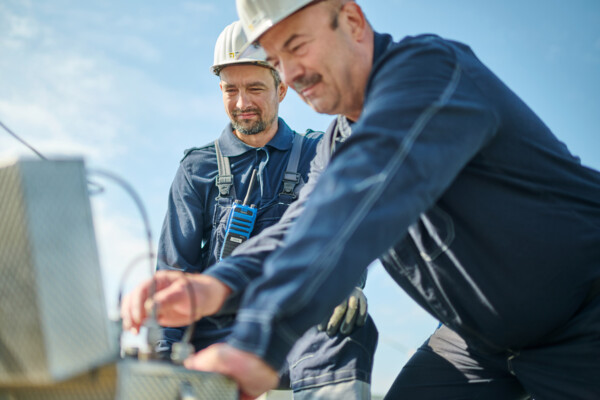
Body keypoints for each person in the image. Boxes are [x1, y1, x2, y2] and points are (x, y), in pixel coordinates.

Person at [123, 1, 600, 399]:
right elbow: (299, 227)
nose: (291, 72)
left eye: (296, 46)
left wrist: (257, 343)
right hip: (481, 341)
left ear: (351, 21)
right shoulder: (335, 143)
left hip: (582, 321)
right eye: (277, 57)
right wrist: (214, 287)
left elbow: (355, 202)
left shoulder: (430, 74)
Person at [143, 20, 377, 400]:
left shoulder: (319, 155)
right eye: (230, 89)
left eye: (254, 88)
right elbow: (176, 272)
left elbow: (344, 232)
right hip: (213, 339)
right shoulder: (196, 169)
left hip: (291, 332)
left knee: (345, 324)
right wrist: (164, 369)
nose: (241, 103)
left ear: (282, 88)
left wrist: (345, 283)